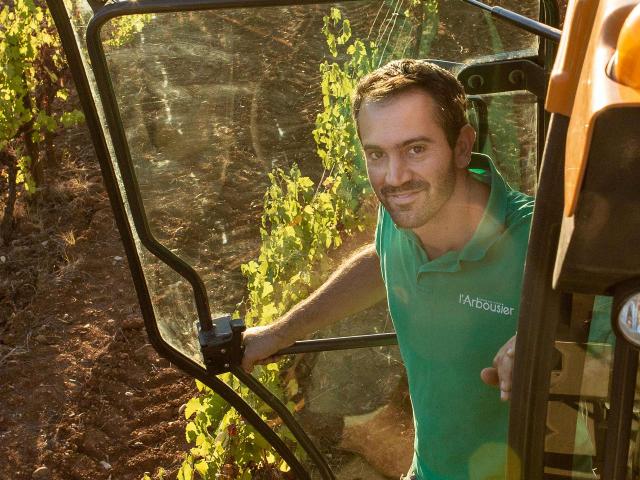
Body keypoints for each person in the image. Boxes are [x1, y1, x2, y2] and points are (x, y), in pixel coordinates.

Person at [241, 59, 533, 479]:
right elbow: (382, 261)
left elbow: (615, 352)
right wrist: (282, 331)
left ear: (463, 147)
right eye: (376, 154)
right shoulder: (402, 214)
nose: (394, 177)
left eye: (416, 149)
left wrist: (545, 346)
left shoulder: (542, 242)